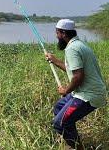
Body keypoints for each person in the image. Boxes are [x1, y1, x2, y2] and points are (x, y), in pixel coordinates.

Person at [45, 19, 107, 149]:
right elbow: (72, 70)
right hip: (82, 92)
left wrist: (65, 90)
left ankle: (77, 147)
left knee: (60, 124)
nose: (56, 36)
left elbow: (78, 77)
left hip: (89, 95)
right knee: (58, 107)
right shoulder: (78, 45)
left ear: (63, 33)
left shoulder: (72, 49)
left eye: (57, 33)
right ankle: (70, 140)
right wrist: (54, 60)